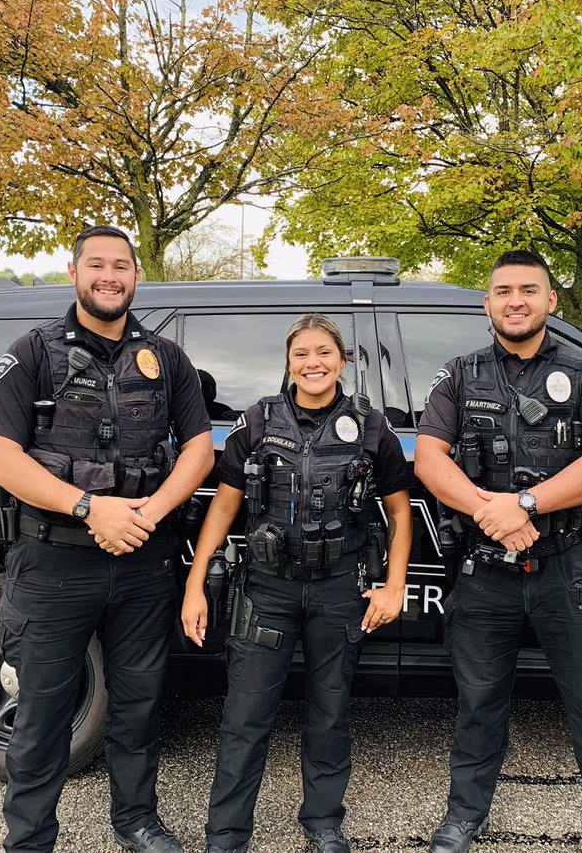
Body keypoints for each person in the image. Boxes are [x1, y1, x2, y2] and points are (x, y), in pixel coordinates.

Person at [0, 225, 214, 853]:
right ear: (75, 272)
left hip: (144, 563)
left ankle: (137, 822)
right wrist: (90, 508)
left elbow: (198, 449)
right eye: (97, 265)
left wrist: (149, 512)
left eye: (122, 266)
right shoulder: (32, 353)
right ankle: (29, 840)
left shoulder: (167, 359)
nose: (110, 276)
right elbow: (2, 459)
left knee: (138, 706)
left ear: (137, 276)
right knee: (43, 716)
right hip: (53, 562)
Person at [413, 250, 582, 853]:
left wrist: (525, 506)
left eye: (528, 290)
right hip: (484, 575)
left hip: (570, 572)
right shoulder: (458, 375)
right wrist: (490, 510)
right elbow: (429, 458)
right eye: (503, 290)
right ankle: (464, 818)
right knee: (478, 707)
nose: (515, 300)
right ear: (487, 302)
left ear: (551, 301)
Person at [181, 314, 412, 853]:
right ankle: (227, 834)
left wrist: (394, 586)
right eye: (302, 353)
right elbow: (224, 505)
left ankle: (324, 824)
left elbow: (399, 514)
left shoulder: (371, 426)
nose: (314, 363)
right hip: (267, 591)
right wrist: (196, 582)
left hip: (337, 591)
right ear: (288, 362)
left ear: (342, 360)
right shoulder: (257, 422)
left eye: (325, 352)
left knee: (329, 715)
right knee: (245, 716)